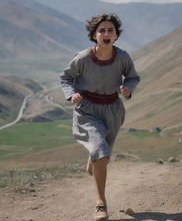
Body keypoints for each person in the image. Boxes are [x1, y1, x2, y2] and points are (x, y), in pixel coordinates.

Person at [60, 13, 140, 221]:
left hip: (113, 109)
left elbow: (132, 76)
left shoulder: (122, 57)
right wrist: (71, 94)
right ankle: (100, 204)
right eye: (101, 30)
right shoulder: (83, 58)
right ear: (94, 35)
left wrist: (127, 89)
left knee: (103, 153)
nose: (106, 34)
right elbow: (66, 77)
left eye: (110, 30)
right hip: (87, 108)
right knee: (100, 151)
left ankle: (95, 158)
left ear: (116, 35)